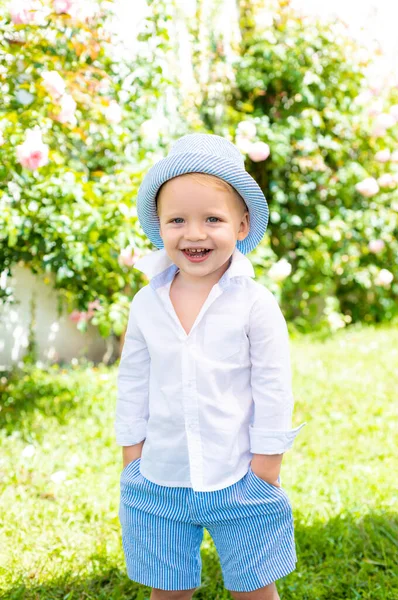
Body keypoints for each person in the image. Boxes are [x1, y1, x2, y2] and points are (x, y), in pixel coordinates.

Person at [115, 133, 307, 600]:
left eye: (213, 219)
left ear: (242, 225)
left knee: (255, 587)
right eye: (177, 219)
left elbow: (273, 385)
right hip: (162, 473)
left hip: (239, 472)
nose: (194, 234)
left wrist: (267, 461)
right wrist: (131, 452)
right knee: (169, 588)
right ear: (159, 226)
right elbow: (133, 380)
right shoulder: (147, 303)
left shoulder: (255, 304)